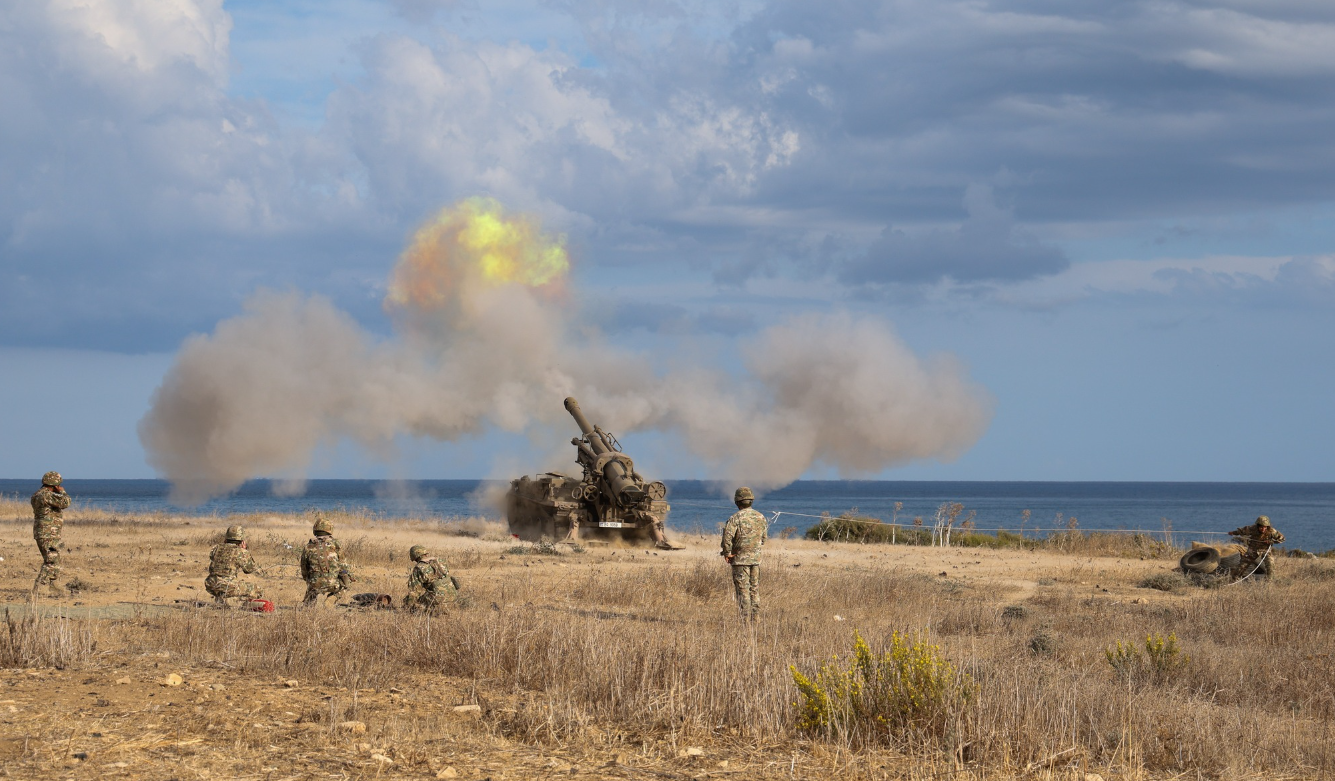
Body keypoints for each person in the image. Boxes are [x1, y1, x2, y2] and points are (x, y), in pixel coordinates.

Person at [720, 486, 767, 620]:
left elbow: (727, 538)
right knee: (754, 590)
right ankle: (756, 618)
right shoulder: (761, 517)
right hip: (756, 560)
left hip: (739, 560)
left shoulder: (735, 518)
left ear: (737, 502)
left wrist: (727, 553)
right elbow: (764, 538)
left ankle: (745, 620)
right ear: (751, 500)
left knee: (743, 591)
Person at [30, 471, 71, 596]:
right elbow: (66, 502)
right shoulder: (47, 495)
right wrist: (62, 491)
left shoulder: (36, 495)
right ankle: (38, 588)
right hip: (48, 533)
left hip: (43, 532)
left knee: (54, 560)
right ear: (54, 484)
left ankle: (53, 586)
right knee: (51, 561)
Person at [300, 515, 354, 606]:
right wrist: (347, 578)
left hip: (314, 584)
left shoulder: (308, 547)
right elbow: (343, 567)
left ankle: (309, 604)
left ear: (315, 530)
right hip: (333, 584)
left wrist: (309, 580)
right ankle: (332, 598)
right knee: (347, 582)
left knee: (312, 588)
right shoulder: (335, 545)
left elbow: (304, 569)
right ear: (330, 530)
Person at [205, 525, 263, 607]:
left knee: (227, 587)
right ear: (242, 541)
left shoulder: (216, 548)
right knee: (257, 590)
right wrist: (245, 551)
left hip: (210, 584)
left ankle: (221, 599)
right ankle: (240, 604)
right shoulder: (241, 551)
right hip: (228, 586)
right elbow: (249, 570)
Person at [402, 545, 457, 612]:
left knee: (417, 606)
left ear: (415, 556)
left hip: (437, 598)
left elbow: (414, 591)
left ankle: (434, 610)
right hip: (454, 596)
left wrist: (407, 606)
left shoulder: (419, 568)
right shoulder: (441, 561)